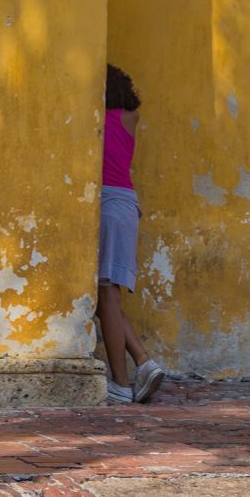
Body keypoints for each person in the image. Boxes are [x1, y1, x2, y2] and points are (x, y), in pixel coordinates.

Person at [97, 65, 165, 404]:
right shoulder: (130, 117)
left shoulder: (95, 118)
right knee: (106, 297)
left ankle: (122, 383)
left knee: (107, 296)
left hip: (105, 202)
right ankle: (143, 362)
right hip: (127, 203)